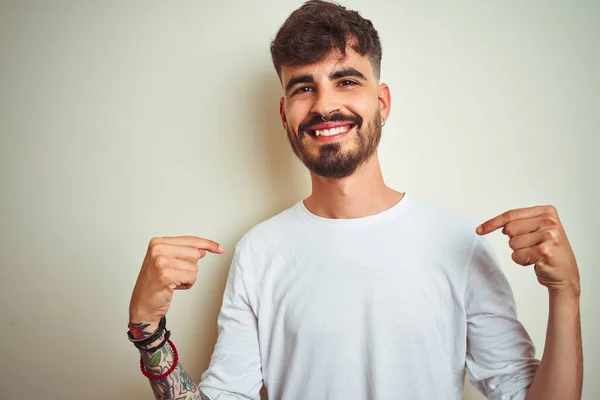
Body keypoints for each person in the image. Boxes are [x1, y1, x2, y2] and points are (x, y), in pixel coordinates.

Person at [127, 1, 583, 399]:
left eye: (345, 80)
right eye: (303, 87)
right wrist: (149, 333)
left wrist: (566, 295)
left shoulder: (459, 243)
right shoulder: (258, 253)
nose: (324, 105)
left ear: (382, 102)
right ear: (284, 114)